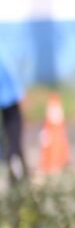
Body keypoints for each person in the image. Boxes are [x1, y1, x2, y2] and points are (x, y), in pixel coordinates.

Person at [0, 55, 27, 186]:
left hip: (9, 102)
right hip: (9, 101)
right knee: (12, 142)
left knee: (13, 142)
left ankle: (19, 177)